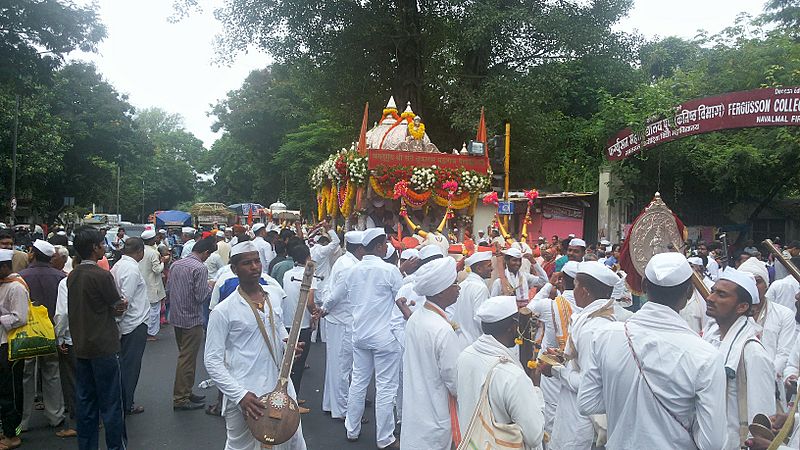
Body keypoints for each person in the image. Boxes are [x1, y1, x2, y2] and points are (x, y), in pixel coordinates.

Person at [578, 252, 727, 449]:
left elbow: (587, 403)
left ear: (644, 286)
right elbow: (712, 443)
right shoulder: (706, 356)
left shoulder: (605, 335)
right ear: (690, 293)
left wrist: (625, 398)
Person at [204, 241, 307, 450]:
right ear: (234, 269)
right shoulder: (223, 311)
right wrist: (239, 395)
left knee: (292, 440)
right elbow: (212, 361)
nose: (254, 267)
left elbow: (278, 327)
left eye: (257, 261)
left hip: (281, 387)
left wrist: (287, 346)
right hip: (246, 393)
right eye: (247, 263)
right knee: (241, 446)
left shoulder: (274, 295)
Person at [542, 261, 620, 450]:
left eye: (575, 285)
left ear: (584, 291)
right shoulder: (603, 319)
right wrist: (563, 358)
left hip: (580, 421)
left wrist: (556, 370)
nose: (572, 290)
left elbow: (587, 384)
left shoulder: (591, 329)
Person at [457, 295, 545, 450]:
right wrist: (536, 388)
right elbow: (535, 436)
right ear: (513, 326)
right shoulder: (512, 375)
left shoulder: (465, 356)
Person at [342, 228, 403, 449]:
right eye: (385, 244)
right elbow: (402, 299)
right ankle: (385, 438)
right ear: (378, 247)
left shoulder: (352, 271)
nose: (387, 247)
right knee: (386, 387)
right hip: (385, 338)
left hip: (360, 335)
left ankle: (352, 430)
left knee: (358, 382)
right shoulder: (389, 270)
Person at [68, 226, 127, 450]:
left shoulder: (73, 275)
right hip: (103, 346)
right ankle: (115, 447)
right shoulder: (101, 275)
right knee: (111, 404)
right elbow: (116, 306)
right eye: (102, 244)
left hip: (81, 345)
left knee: (86, 403)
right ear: (94, 248)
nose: (104, 247)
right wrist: (122, 305)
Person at [703, 268, 776, 449]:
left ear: (742, 307)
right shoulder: (710, 340)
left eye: (721, 295)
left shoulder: (753, 353)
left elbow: (760, 422)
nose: (710, 298)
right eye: (712, 291)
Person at [400, 257, 462, 450]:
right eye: (454, 284)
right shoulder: (442, 329)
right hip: (436, 414)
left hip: (416, 410)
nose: (458, 288)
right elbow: (455, 382)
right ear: (441, 291)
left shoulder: (417, 317)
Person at [18, 239, 67, 433]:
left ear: (33, 254)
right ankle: (55, 415)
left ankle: (22, 420)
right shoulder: (60, 277)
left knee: (26, 375)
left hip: (26, 334)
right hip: (51, 332)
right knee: (52, 373)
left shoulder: (21, 277)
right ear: (50, 258)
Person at [737, 257, 796, 408]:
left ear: (766, 284)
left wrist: (763, 376)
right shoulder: (730, 315)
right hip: (737, 386)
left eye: (757, 281)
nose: (753, 286)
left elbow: (784, 353)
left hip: (772, 384)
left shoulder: (784, 314)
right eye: (747, 281)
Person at [167, 236, 216, 410]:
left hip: (177, 316)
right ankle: (181, 397)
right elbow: (201, 296)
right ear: (205, 252)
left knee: (185, 356)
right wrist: (211, 286)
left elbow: (169, 288)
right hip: (192, 318)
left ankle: (186, 391)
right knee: (187, 359)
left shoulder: (176, 264)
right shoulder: (200, 268)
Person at [321, 231, 363, 420]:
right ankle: (343, 410)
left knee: (335, 365)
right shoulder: (349, 267)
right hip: (343, 320)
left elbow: (328, 287)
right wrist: (325, 308)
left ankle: (332, 404)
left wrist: (326, 307)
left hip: (337, 319)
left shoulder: (343, 261)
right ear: (360, 248)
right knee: (343, 367)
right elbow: (336, 295)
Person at [110, 237, 150, 415]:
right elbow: (125, 301)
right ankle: (126, 403)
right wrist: (118, 322)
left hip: (127, 322)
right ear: (140, 251)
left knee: (124, 365)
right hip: (133, 323)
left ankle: (123, 401)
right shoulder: (131, 269)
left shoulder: (119, 265)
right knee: (130, 367)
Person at [281, 244, 319, 414]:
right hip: (301, 324)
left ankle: (291, 395)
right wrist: (315, 314)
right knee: (297, 364)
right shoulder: (310, 275)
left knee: (288, 362)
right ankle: (292, 401)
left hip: (286, 322)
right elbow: (310, 302)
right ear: (308, 257)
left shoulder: (287, 274)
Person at [0, 249, 29, 450]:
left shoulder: (16, 287)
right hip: (1, 342)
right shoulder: (4, 284)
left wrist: (1, 318)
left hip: (9, 345)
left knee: (9, 389)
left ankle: (13, 434)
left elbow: (20, 317)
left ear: (4, 267)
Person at [453, 250, 492, 347]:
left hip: (458, 341)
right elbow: (480, 319)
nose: (492, 268)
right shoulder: (481, 288)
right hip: (474, 342)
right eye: (489, 265)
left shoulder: (462, 284)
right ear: (479, 269)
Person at [139, 229, 168, 341]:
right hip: (153, 285)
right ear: (151, 240)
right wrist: (163, 262)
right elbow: (157, 270)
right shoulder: (153, 252)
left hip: (142, 284)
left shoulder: (140, 250)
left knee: (144, 310)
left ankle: (144, 331)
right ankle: (151, 333)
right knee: (154, 311)